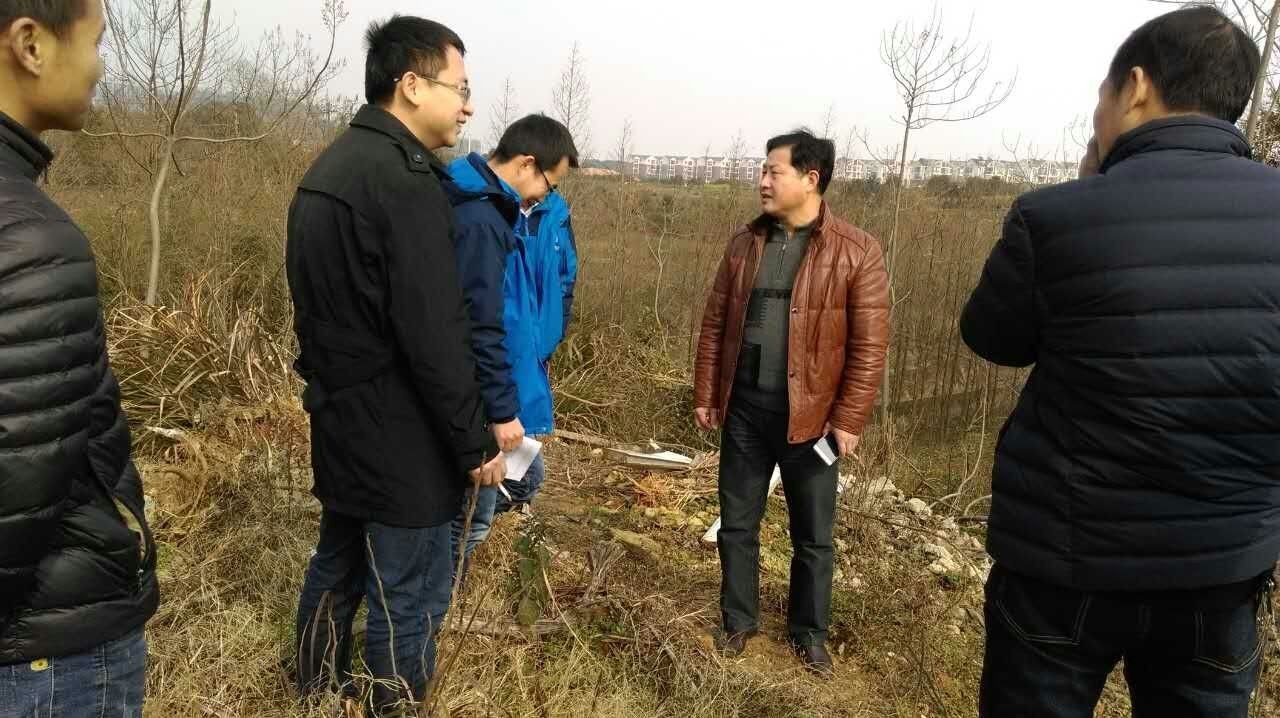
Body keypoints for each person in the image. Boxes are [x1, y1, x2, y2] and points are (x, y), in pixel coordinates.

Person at [960, 7, 1279, 716]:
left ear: (1135, 86)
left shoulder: (1056, 216)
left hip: (1064, 564)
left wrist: (1086, 187)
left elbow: (992, 338)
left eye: (1102, 94)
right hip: (1222, 569)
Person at [286, 15, 505, 715]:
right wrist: (473, 439)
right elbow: (433, 333)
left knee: (339, 561)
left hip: (339, 414)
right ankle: (395, 703)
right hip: (401, 430)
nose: (467, 107)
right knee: (407, 591)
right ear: (411, 85)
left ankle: (313, 687)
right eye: (459, 89)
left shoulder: (330, 169)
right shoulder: (404, 184)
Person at [0, 2, 158, 716]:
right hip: (46, 655)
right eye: (94, 42)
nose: (98, 67)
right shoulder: (30, 237)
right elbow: (17, 485)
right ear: (30, 44)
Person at [693, 130, 890, 675]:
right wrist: (708, 393)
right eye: (763, 170)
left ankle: (809, 634)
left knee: (814, 536)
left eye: (773, 171)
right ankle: (738, 621)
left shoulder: (856, 250)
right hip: (745, 410)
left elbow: (870, 346)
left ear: (810, 178)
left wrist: (849, 418)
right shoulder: (744, 243)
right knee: (737, 523)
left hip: (814, 420)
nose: (762, 181)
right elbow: (715, 323)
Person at [443, 113, 577, 562]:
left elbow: (561, 284)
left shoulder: (529, 214)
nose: (546, 194)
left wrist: (547, 343)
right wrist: (500, 410)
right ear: (527, 164)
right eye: (549, 183)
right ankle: (437, 592)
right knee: (469, 520)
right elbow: (482, 322)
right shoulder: (483, 217)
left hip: (512, 374)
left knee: (521, 481)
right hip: (485, 393)